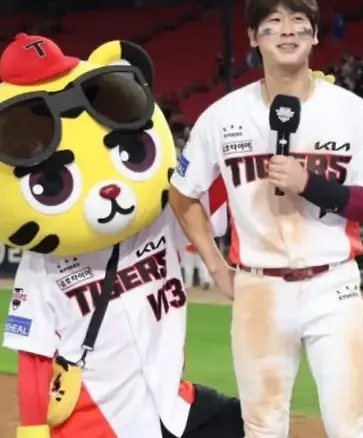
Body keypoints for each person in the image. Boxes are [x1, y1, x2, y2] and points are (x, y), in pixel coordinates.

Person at [167, 0, 363, 437]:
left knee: (351, 425)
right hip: (259, 286)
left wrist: (309, 183)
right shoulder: (223, 116)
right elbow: (182, 193)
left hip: (333, 284)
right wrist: (215, 265)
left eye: (299, 22)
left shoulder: (350, 110)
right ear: (254, 37)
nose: (287, 31)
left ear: (315, 34)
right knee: (262, 426)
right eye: (273, 22)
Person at [0, 34, 241, 438]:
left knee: (255, 422)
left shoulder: (160, 218)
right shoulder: (40, 266)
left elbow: (220, 192)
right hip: (95, 423)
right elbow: (34, 359)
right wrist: (33, 430)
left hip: (171, 406)